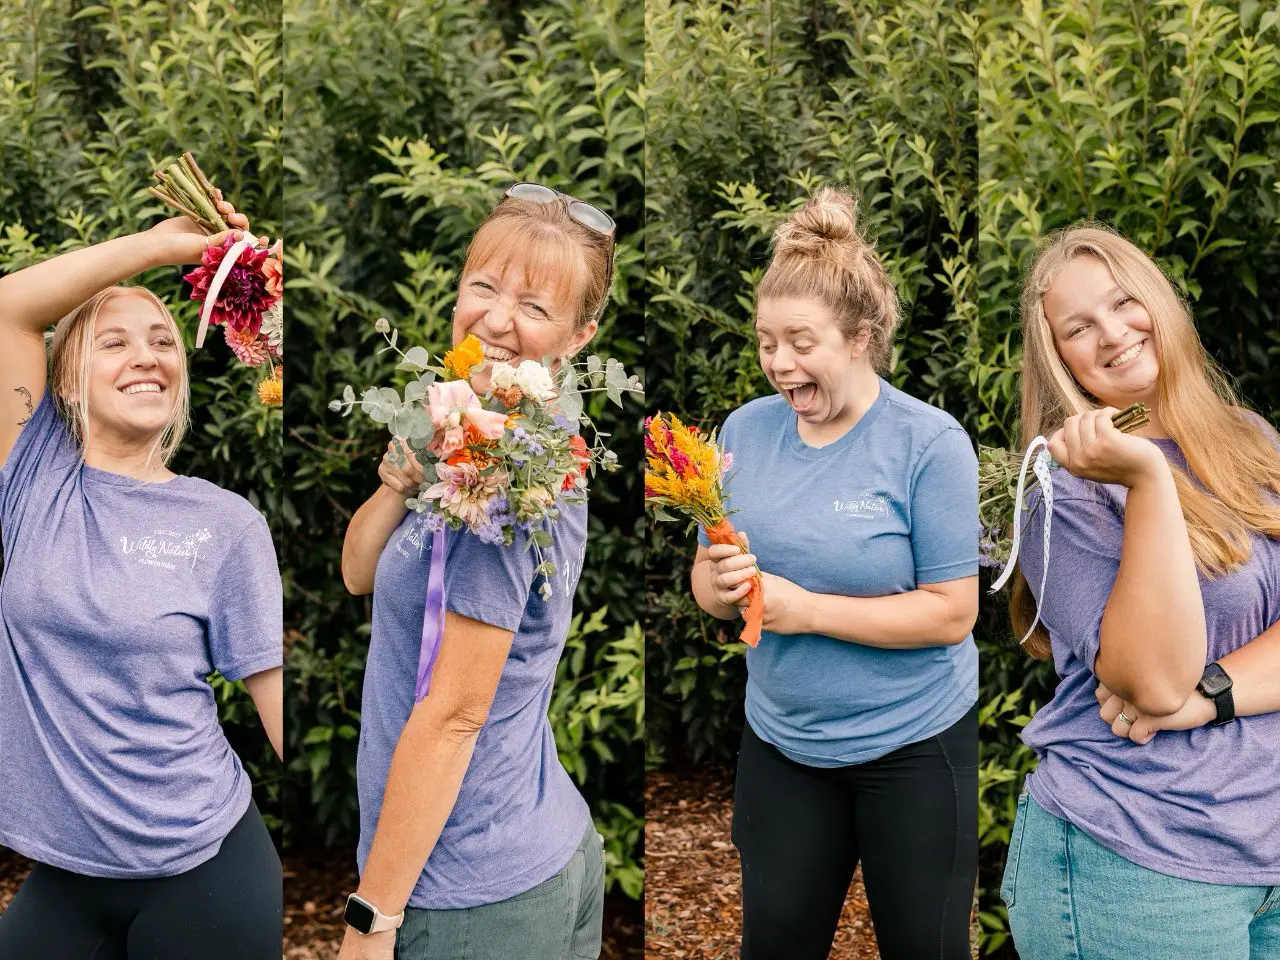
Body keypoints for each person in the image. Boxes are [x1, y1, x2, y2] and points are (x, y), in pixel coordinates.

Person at [691, 186, 980, 960]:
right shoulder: (745, 433)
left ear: (860, 338)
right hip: (783, 748)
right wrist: (719, 590)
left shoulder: (928, 443)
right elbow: (708, 580)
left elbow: (952, 614)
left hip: (914, 747)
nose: (779, 364)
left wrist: (807, 610)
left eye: (799, 342)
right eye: (765, 343)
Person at [338, 183, 616, 960]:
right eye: (483, 287)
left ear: (579, 334)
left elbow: (456, 714)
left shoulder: (516, 468)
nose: (496, 319)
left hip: (472, 896)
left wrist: (372, 918)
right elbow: (359, 574)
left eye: (533, 305)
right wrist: (399, 478)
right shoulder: (466, 429)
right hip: (524, 849)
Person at [0, 207, 284, 959]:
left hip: (205, 869)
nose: (148, 357)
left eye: (164, 342)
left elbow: (274, 703)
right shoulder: (33, 482)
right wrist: (162, 249)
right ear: (64, 383)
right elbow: (8, 308)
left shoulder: (226, 525)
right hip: (67, 873)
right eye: (114, 343)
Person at [1003, 224, 1280, 959]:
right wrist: (1147, 476)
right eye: (1078, 327)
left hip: (1266, 852)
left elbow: (1177, 693)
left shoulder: (1249, 438)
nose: (1113, 333)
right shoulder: (1059, 495)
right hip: (1133, 862)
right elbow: (1152, 682)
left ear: (1159, 301)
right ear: (1059, 357)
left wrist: (1208, 695)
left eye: (1125, 303)